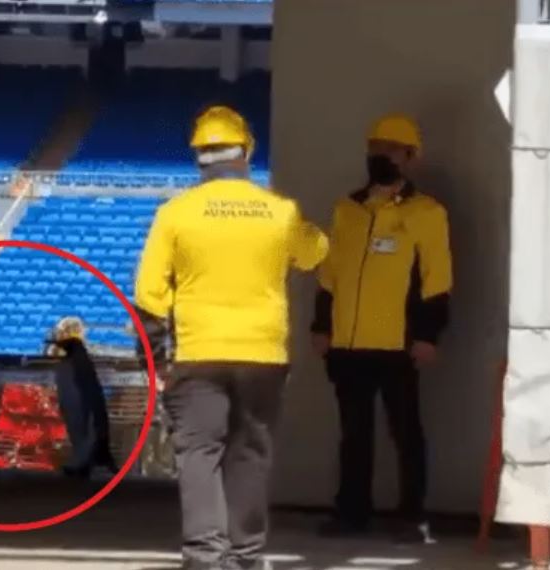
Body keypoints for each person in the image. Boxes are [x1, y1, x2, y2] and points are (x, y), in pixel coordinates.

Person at [134, 105, 329, 570]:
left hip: (198, 353)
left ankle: (204, 555)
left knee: (199, 454)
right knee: (250, 453)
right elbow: (312, 253)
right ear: (247, 152)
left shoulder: (175, 213)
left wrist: (154, 359)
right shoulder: (279, 212)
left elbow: (149, 293)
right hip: (261, 354)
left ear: (199, 157)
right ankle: (246, 555)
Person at [311, 114, 452, 543]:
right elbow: (330, 273)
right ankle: (351, 512)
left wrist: (428, 335)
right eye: (376, 147)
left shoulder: (427, 212)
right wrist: (322, 325)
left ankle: (413, 516)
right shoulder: (346, 209)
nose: (381, 155)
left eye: (391, 148)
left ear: (410, 158)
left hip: (398, 344)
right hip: (349, 343)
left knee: (406, 433)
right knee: (354, 435)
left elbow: (437, 279)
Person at [46, 316, 118, 479]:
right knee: (81, 428)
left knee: (84, 428)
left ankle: (84, 462)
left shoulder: (76, 359)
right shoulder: (77, 359)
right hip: (79, 398)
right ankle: (84, 462)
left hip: (81, 399)